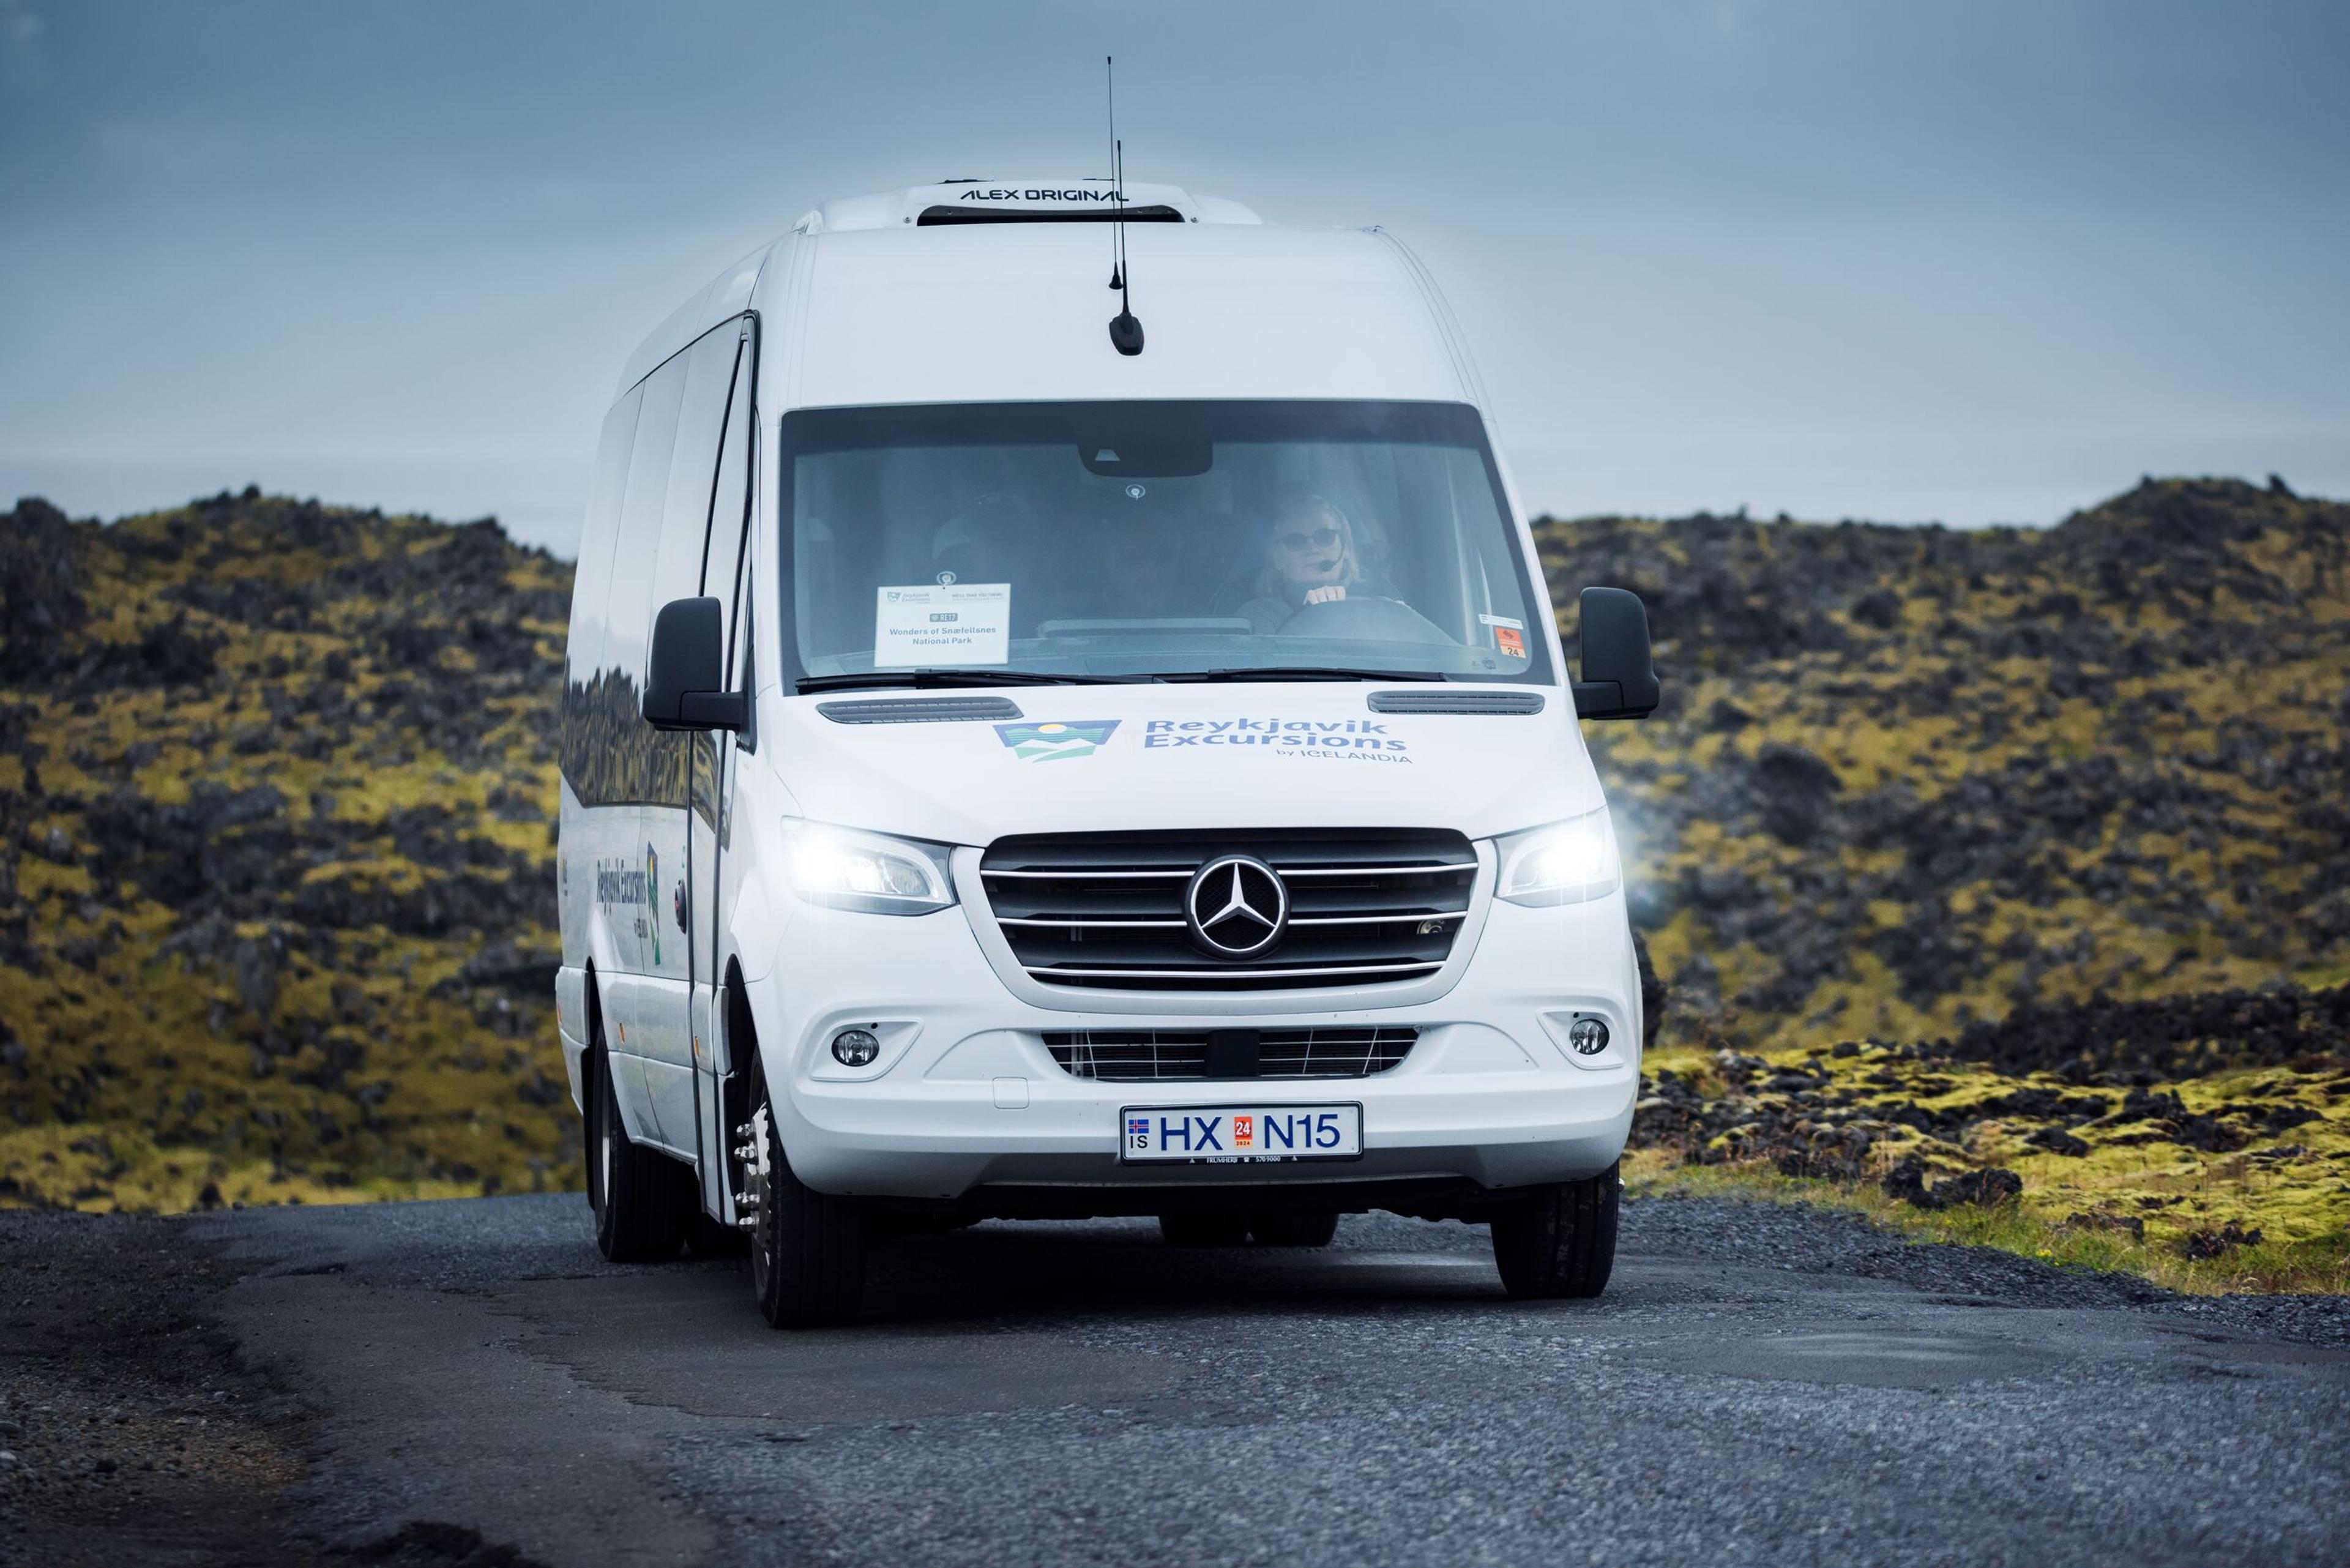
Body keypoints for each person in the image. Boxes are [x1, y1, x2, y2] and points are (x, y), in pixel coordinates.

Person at [1235, 490, 1396, 635]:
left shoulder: (1382, 609)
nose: (1312, 548)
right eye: (1295, 540)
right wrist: (1315, 615)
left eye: (1325, 536)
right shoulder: (1259, 616)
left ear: (1345, 548)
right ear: (1278, 558)